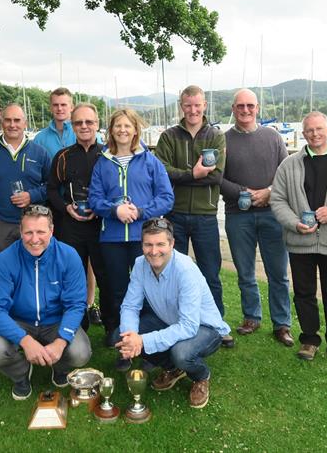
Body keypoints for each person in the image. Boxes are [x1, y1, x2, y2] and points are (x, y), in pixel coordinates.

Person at [88, 108, 174, 370]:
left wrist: (140, 212)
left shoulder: (150, 161)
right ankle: (123, 348)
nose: (123, 130)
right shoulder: (103, 162)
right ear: (111, 130)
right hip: (112, 238)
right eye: (118, 126)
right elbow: (94, 199)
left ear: (136, 130)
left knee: (147, 293)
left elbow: (166, 197)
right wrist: (115, 210)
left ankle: (147, 348)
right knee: (117, 293)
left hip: (143, 239)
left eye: (128, 126)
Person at [117, 218, 230, 409]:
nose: (154, 251)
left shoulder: (186, 269)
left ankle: (201, 376)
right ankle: (174, 369)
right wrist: (131, 336)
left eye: (160, 244)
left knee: (182, 353)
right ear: (142, 245)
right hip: (170, 321)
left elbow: (188, 326)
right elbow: (130, 306)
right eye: (148, 245)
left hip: (205, 328)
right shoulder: (139, 264)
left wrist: (143, 341)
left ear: (172, 243)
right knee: (120, 336)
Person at [0, 205, 91, 400]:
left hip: (56, 321)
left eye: (41, 232)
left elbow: (75, 304)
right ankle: (21, 374)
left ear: (51, 230)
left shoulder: (69, 256)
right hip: (20, 321)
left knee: (80, 352)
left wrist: (60, 341)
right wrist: (25, 341)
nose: (34, 239)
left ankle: (60, 368)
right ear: (21, 231)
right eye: (28, 232)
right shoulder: (5, 259)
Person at [271, 111, 327, 364]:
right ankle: (309, 340)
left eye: (319, 129)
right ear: (303, 133)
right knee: (304, 293)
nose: (315, 134)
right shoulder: (289, 164)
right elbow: (277, 199)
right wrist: (294, 223)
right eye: (309, 130)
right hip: (300, 242)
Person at [154, 85, 233, 349]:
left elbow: (216, 175)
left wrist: (185, 175)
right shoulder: (168, 137)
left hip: (205, 215)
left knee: (210, 273)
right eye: (188, 105)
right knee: (172, 273)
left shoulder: (216, 136)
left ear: (205, 105)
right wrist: (194, 174)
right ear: (181, 105)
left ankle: (217, 326)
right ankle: (176, 322)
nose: (193, 110)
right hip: (173, 215)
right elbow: (162, 172)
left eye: (197, 105)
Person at [220, 89, 293, 346]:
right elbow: (217, 178)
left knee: (278, 273)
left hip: (273, 214)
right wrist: (243, 193)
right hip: (237, 215)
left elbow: (287, 174)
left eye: (250, 105)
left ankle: (282, 323)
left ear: (257, 108)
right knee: (245, 271)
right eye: (240, 106)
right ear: (233, 108)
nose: (245, 110)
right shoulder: (223, 140)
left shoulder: (273, 137)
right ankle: (251, 316)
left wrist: (270, 192)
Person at [47, 103, 108, 329]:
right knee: (74, 277)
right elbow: (51, 189)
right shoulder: (63, 156)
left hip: (102, 224)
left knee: (105, 276)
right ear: (72, 126)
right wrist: (65, 208)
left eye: (89, 122)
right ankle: (78, 326)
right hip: (71, 225)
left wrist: (102, 207)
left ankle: (112, 327)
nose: (84, 126)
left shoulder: (107, 154)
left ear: (97, 124)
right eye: (79, 122)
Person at [0, 103, 51, 254]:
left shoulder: (39, 152)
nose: (12, 125)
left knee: (34, 266)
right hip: (1, 223)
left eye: (17, 120)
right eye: (8, 120)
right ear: (2, 123)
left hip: (33, 222)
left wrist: (32, 195)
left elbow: (51, 185)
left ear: (25, 123)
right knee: (6, 269)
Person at [33, 87, 76, 160]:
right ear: (50, 108)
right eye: (55, 105)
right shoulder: (39, 139)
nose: (59, 108)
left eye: (63, 105)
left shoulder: (83, 134)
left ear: (72, 107)